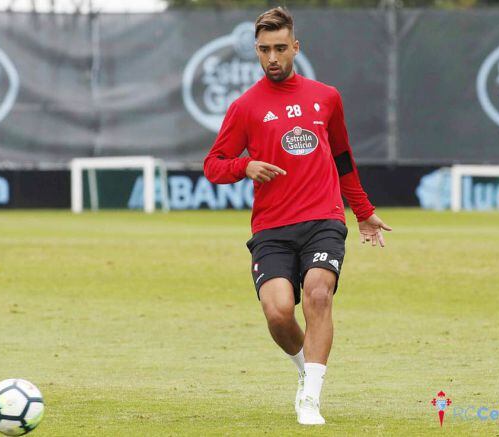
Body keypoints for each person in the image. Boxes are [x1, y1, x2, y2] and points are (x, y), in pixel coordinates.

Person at [203, 7, 392, 426]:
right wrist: (244, 166)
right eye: (265, 50)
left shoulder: (326, 97)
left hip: (324, 218)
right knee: (278, 312)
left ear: (295, 47)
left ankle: (310, 397)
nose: (273, 57)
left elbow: (342, 158)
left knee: (319, 294)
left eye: (281, 48)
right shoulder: (245, 107)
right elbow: (214, 164)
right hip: (271, 226)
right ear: (256, 51)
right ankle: (307, 370)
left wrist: (362, 212)